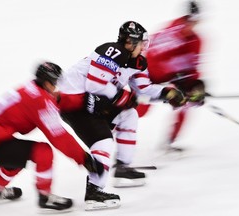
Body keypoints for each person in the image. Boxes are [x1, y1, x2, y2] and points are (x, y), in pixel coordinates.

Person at [57, 21, 186, 210]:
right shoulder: (112, 51)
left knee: (129, 115)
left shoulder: (138, 62)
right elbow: (95, 85)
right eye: (141, 43)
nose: (144, 47)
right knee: (103, 141)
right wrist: (123, 97)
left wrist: (167, 94)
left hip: (91, 101)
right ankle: (94, 192)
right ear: (129, 42)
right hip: (74, 102)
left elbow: (143, 89)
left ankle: (123, 167)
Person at [0, 62, 103, 213]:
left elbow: (56, 100)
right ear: (47, 83)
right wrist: (84, 158)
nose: (57, 86)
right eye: (55, 83)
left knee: (14, 156)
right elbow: (59, 136)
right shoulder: (40, 101)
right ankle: (45, 197)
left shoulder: (30, 88)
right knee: (42, 151)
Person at [136, 1, 206, 152]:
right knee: (141, 110)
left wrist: (195, 86)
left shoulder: (197, 41)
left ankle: (169, 142)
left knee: (187, 104)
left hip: (173, 79)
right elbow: (152, 61)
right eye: (189, 20)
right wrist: (175, 82)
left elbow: (194, 66)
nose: (192, 25)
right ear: (184, 18)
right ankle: (109, 131)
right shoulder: (169, 34)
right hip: (150, 77)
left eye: (196, 21)